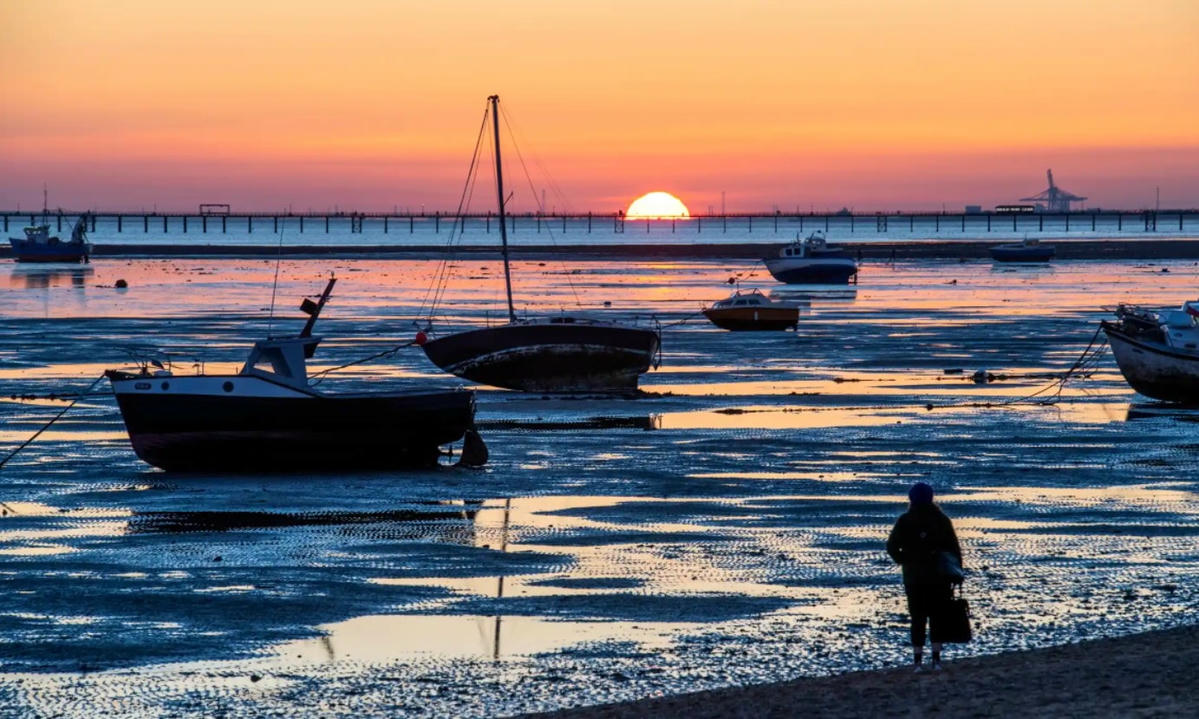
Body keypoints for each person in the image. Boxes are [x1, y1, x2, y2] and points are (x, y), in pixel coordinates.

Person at [886, 481, 963, 672]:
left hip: (914, 578)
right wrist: (957, 574)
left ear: (911, 499)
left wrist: (904, 560)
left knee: (917, 618)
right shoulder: (941, 519)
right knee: (937, 617)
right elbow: (954, 549)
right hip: (939, 577)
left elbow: (891, 547)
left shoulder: (905, 520)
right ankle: (936, 661)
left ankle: (918, 662)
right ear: (931, 498)